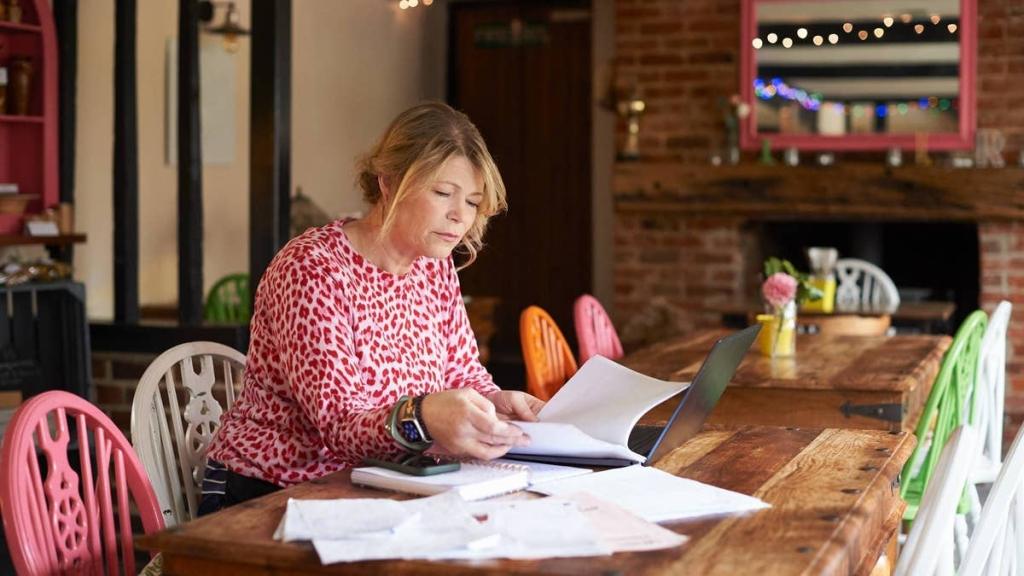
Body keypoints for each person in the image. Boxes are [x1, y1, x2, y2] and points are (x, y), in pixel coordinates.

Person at [201, 102, 544, 513]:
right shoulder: (313, 268)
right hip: (272, 491)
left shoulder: (432, 266)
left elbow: (461, 372)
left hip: (380, 484)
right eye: (442, 193)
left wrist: (492, 402)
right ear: (388, 182)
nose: (460, 217)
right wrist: (424, 416)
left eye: (472, 202)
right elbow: (340, 426)